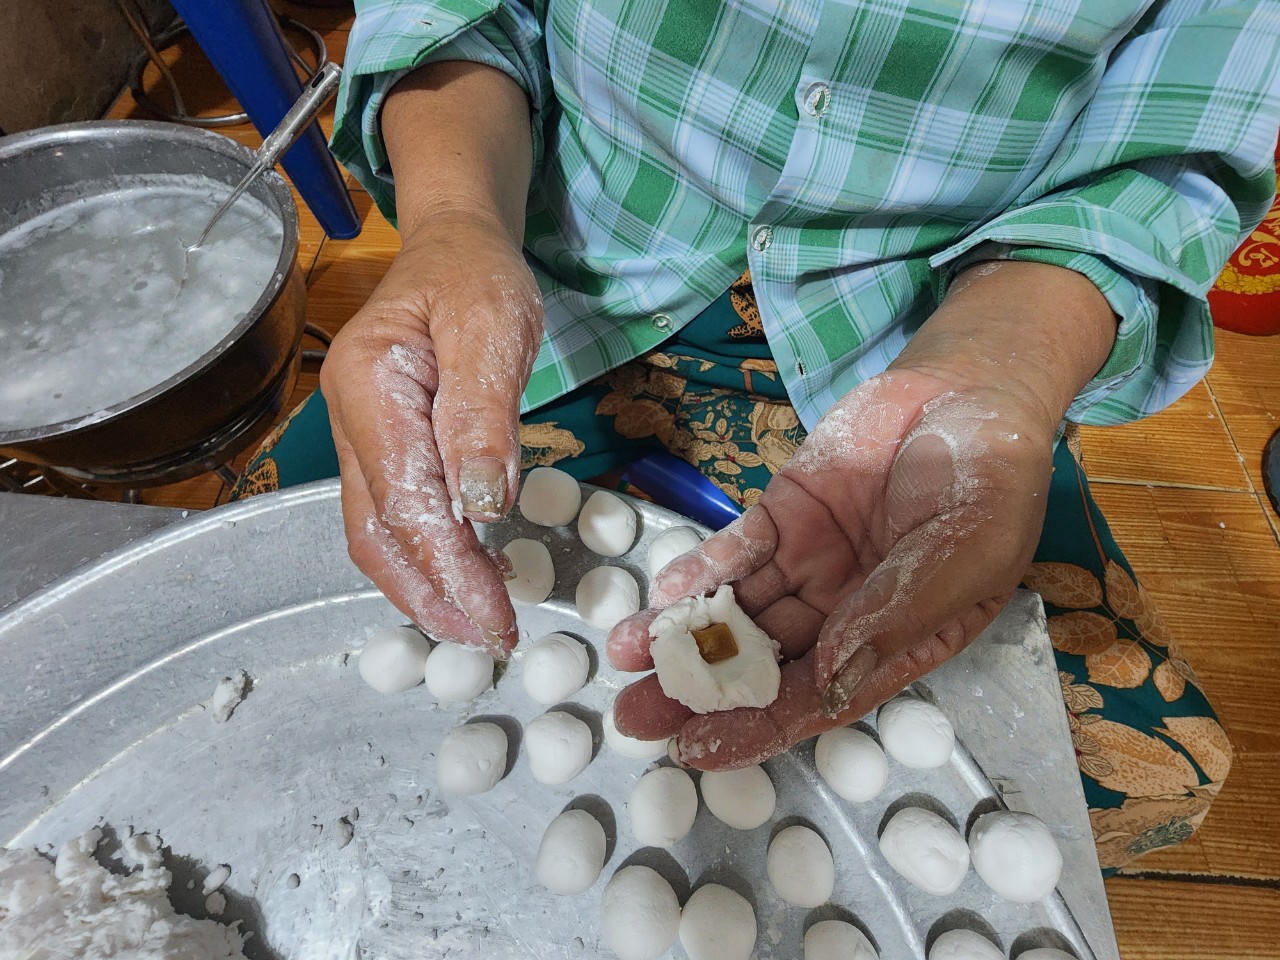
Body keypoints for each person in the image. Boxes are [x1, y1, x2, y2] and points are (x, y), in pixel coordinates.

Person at [233, 1, 1280, 870]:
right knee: (267, 586)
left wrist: (997, 374)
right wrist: (453, 224)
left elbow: (1159, 164)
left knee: (1120, 766)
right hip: (545, 268)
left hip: (927, 333)